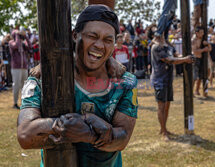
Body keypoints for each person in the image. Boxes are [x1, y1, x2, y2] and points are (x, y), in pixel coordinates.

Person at [17, 5, 138, 167]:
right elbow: (25, 135)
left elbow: (122, 139)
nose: (100, 45)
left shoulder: (125, 83)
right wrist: (60, 125)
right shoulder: (42, 78)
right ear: (75, 35)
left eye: (108, 40)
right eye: (92, 36)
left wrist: (88, 135)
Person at [150, 33, 193, 140]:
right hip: (159, 80)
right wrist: (185, 59)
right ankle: (164, 132)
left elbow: (175, 54)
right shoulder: (156, 47)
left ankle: (164, 128)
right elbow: (169, 60)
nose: (162, 35)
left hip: (168, 79)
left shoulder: (168, 45)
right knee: (161, 106)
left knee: (167, 105)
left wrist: (181, 57)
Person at [9, 27, 32, 109]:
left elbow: (30, 47)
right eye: (17, 35)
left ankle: (24, 103)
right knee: (16, 85)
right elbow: (16, 45)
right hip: (16, 67)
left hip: (24, 67)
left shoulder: (22, 43)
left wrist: (25, 36)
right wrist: (17, 35)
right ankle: (15, 103)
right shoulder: (11, 42)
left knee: (24, 86)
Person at [192, 26, 211, 96]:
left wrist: (208, 44)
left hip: (202, 59)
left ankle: (197, 90)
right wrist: (203, 50)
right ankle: (191, 92)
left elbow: (210, 49)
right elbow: (195, 51)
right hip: (195, 59)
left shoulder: (203, 39)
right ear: (197, 33)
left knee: (200, 76)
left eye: (203, 32)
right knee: (194, 77)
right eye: (201, 32)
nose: (202, 34)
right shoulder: (194, 40)